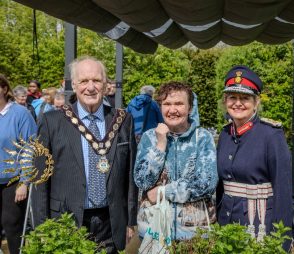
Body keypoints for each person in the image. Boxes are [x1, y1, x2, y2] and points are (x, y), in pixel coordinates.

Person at [32, 56, 138, 253]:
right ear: (74, 85)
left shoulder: (123, 120)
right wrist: (41, 229)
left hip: (110, 221)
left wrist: (130, 220)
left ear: (105, 85)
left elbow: (130, 176)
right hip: (66, 220)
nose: (90, 87)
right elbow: (40, 181)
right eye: (84, 81)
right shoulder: (51, 122)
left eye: (97, 80)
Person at [216, 65, 292, 249]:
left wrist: (282, 241)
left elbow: (284, 192)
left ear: (256, 102)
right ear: (225, 101)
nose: (238, 103)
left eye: (245, 98)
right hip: (226, 224)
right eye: (232, 97)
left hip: (258, 226)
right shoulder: (225, 134)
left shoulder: (271, 135)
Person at [134, 81, 218, 243]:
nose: (172, 110)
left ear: (190, 108)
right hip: (154, 231)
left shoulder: (202, 138)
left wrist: (163, 191)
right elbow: (142, 181)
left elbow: (206, 184)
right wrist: (160, 145)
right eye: (167, 104)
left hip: (193, 233)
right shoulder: (149, 137)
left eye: (179, 104)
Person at [0, 74, 36, 254]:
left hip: (12, 181)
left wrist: (24, 182)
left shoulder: (20, 114)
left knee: (11, 227)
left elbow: (29, 148)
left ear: (4, 89)